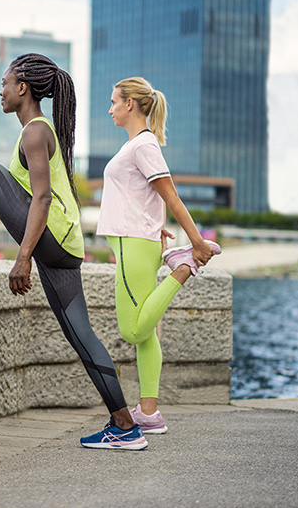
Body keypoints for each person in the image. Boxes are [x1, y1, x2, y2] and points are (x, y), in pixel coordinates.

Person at [0, 53, 147, 450]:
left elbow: (43, 198)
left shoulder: (35, 131)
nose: (0, 91)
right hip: (67, 246)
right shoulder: (39, 130)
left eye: (5, 83)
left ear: (23, 88)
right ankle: (125, 425)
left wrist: (22, 258)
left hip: (50, 236)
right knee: (81, 335)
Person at [97, 77, 221, 435]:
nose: (110, 109)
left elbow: (171, 195)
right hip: (138, 240)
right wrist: (157, 226)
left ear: (130, 104)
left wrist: (196, 244)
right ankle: (149, 412)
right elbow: (148, 196)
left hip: (133, 243)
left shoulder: (143, 145)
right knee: (147, 333)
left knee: (132, 330)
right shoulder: (138, 145)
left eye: (114, 102)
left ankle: (182, 269)